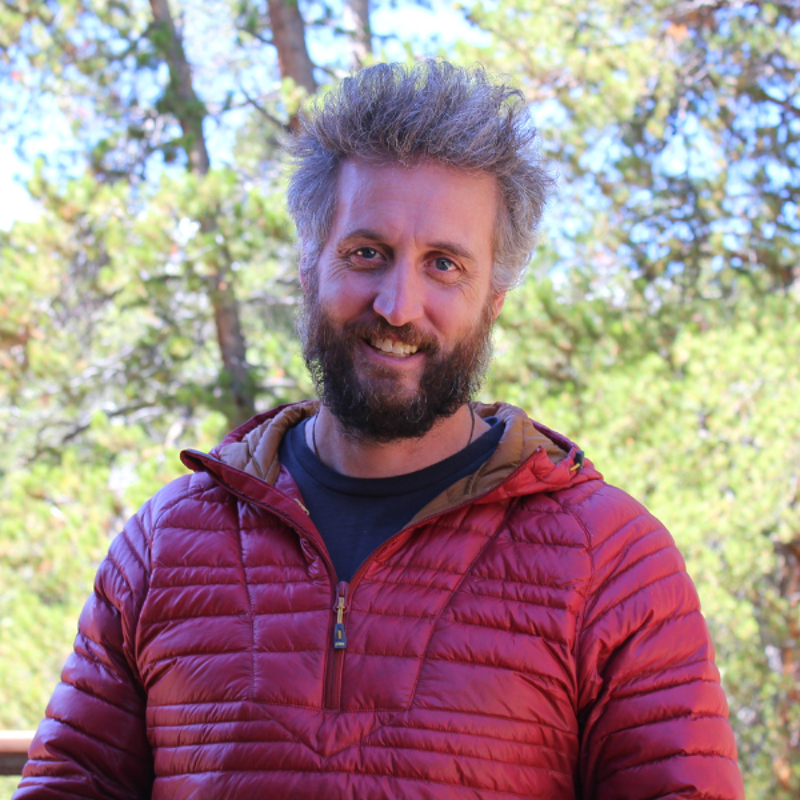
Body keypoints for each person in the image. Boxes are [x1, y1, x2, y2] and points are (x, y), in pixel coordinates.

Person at [15, 60, 745, 799]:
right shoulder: (163, 546)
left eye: (444, 265)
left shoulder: (612, 564)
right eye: (367, 253)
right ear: (310, 267)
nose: (398, 305)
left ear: (493, 299)